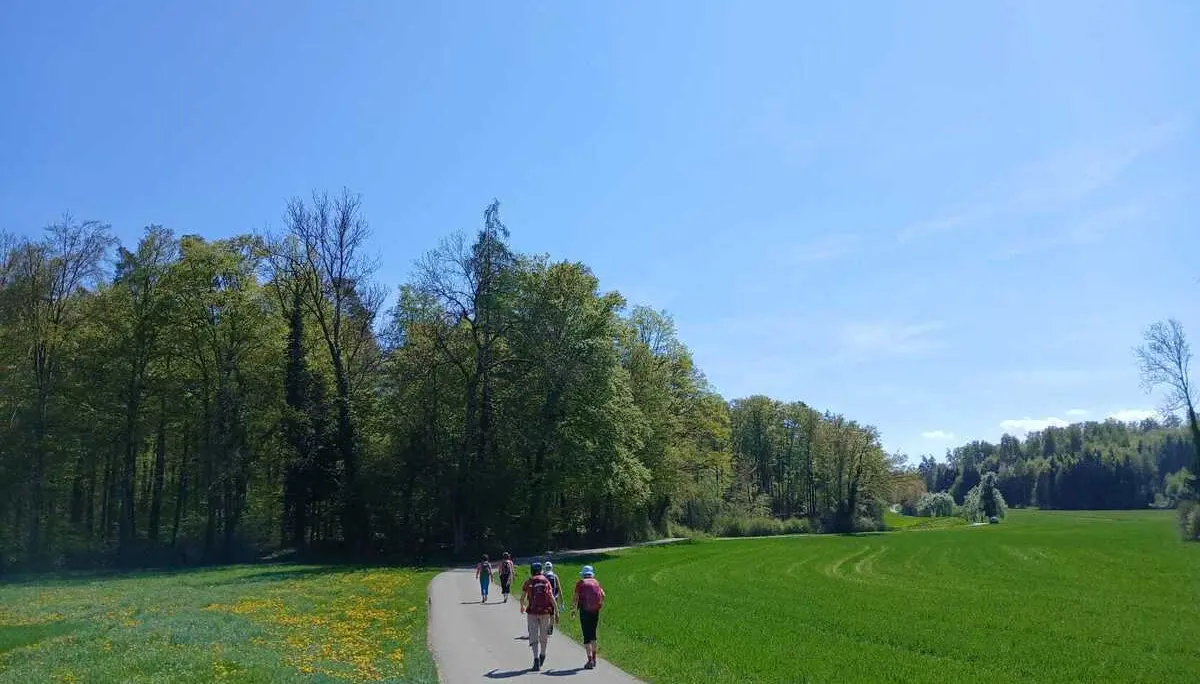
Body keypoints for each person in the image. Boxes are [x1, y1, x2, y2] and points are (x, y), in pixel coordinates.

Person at [520, 561, 559, 671]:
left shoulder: (529, 581)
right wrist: (556, 612)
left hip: (532, 612)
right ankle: (543, 654)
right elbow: (551, 596)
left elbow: (522, 596)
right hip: (545, 612)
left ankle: (536, 659)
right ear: (541, 570)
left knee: (533, 635)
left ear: (531, 571)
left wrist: (522, 606)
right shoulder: (545, 580)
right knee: (543, 635)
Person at [571, 565, 606, 670]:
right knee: (593, 634)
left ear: (583, 574)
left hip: (584, 611)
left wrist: (573, 609)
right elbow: (603, 595)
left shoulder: (580, 583)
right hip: (595, 611)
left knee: (586, 635)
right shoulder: (596, 582)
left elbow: (575, 598)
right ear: (591, 574)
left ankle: (590, 660)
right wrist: (598, 604)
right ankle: (594, 658)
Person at [543, 561, 563, 634]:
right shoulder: (555, 576)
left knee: (545, 613)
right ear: (551, 568)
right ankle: (551, 626)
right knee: (552, 613)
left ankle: (547, 626)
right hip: (554, 597)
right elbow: (559, 589)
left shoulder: (543, 576)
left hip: (545, 598)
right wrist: (562, 600)